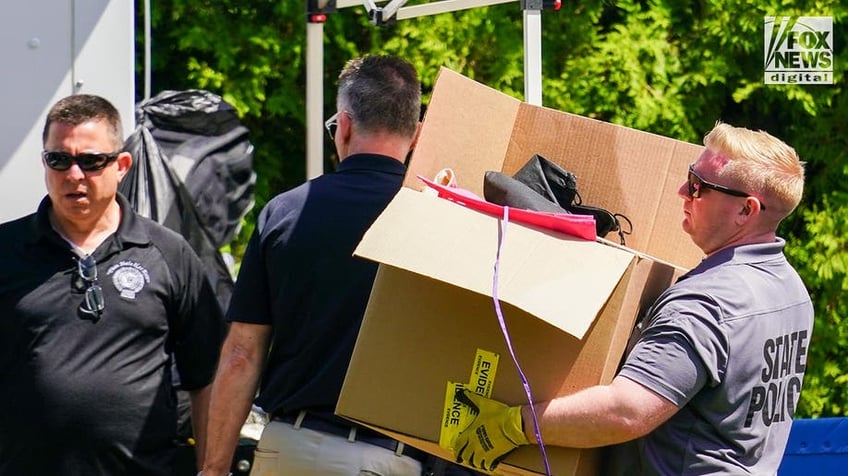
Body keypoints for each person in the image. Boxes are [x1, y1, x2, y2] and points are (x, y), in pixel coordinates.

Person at [450, 122, 814, 475]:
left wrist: (514, 425)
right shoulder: (792, 292)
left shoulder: (706, 304)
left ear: (745, 210)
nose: (681, 192)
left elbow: (627, 410)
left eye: (698, 186)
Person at [201, 55, 428, 476]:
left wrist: (213, 468)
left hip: (290, 447)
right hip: (392, 458)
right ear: (416, 135)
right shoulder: (438, 223)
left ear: (342, 126)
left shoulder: (283, 213)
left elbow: (240, 354)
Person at [0, 94, 226, 475]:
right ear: (44, 163)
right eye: (59, 159)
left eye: (90, 161)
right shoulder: (6, 251)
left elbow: (208, 378)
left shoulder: (168, 254)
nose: (74, 175)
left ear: (121, 165)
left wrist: (213, 469)